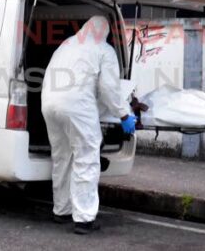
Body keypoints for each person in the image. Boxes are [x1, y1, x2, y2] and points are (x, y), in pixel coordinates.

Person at [41, 15, 135, 235]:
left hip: (49, 104)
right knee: (86, 159)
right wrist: (123, 115)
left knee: (62, 158)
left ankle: (61, 210)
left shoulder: (66, 45)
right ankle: (84, 219)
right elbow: (109, 90)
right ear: (105, 32)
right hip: (77, 107)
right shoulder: (103, 50)